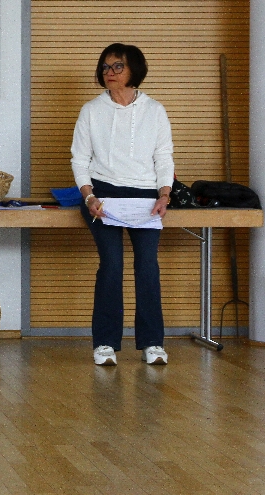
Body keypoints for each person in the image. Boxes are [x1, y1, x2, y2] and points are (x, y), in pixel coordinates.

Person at [71, 43, 174, 367]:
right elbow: (79, 159)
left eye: (117, 66)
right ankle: (105, 343)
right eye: (105, 67)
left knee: (148, 267)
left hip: (145, 197)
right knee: (112, 265)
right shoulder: (91, 110)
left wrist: (164, 195)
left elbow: (163, 157)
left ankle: (152, 343)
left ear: (134, 70)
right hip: (102, 196)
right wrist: (89, 197)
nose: (110, 72)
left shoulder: (154, 110)